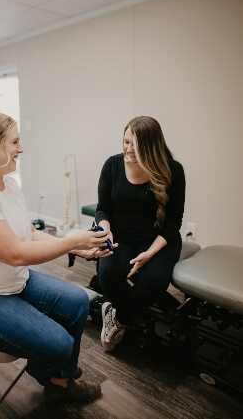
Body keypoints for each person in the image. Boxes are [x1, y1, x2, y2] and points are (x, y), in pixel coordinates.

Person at [0, 111, 114, 404]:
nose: (21, 149)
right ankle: (55, 367)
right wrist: (72, 240)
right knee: (59, 344)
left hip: (11, 283)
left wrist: (76, 247)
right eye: (14, 142)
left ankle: (60, 382)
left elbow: (29, 234)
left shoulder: (10, 185)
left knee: (78, 302)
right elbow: (15, 253)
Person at [95, 116, 185, 352]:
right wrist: (105, 231)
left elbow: (174, 222)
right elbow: (102, 209)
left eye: (135, 145)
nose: (128, 149)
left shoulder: (173, 171)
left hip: (158, 240)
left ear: (151, 146)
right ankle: (128, 309)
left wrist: (149, 254)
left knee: (154, 281)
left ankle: (117, 320)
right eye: (125, 142)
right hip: (120, 238)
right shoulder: (112, 165)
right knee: (109, 274)